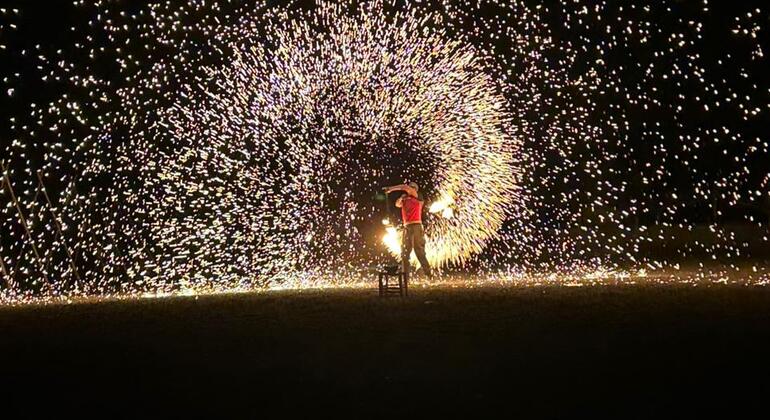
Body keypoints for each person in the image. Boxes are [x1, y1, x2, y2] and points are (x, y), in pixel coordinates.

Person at [384, 182, 432, 278]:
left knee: (419, 252)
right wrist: (401, 198)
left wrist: (390, 188)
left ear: (415, 189)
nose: (408, 188)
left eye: (411, 187)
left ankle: (428, 274)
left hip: (416, 226)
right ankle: (405, 277)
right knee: (405, 253)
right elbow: (397, 204)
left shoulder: (418, 196)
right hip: (407, 227)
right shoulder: (405, 198)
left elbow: (404, 187)